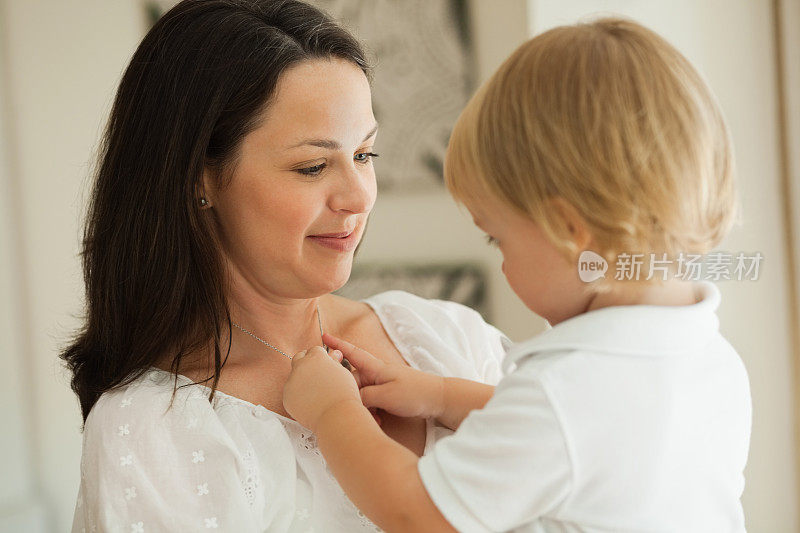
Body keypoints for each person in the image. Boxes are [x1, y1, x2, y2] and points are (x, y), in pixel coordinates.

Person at [282, 17, 753, 533]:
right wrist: (439, 395)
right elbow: (589, 435)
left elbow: (414, 513)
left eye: (498, 238)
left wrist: (331, 411)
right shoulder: (706, 359)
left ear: (570, 230)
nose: (502, 262)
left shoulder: (565, 391)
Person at [62, 1, 510, 531]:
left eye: (365, 155)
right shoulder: (152, 430)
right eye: (312, 166)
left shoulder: (444, 339)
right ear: (199, 180)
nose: (358, 197)